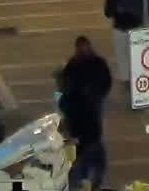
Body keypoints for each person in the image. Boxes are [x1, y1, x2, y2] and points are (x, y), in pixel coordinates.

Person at [58, 37, 110, 191]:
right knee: (91, 159)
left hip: (83, 130)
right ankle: (88, 182)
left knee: (85, 159)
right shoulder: (75, 66)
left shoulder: (94, 64)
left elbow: (105, 81)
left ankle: (85, 182)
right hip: (87, 131)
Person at [104, 0, 142, 75]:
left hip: (131, 29)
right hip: (120, 29)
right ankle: (127, 79)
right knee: (122, 57)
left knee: (134, 56)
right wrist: (116, 9)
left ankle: (135, 77)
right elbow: (107, 13)